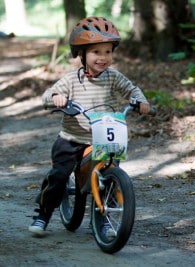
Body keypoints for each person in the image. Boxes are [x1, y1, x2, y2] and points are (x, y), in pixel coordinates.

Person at [29, 16, 150, 236]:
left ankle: (104, 219)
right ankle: (43, 213)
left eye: (108, 52)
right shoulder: (72, 80)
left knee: (111, 176)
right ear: (82, 54)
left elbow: (132, 89)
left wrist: (140, 101)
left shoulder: (113, 77)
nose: (103, 58)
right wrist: (56, 98)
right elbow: (47, 96)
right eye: (96, 52)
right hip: (71, 139)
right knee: (59, 176)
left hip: (103, 138)